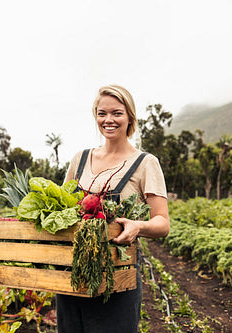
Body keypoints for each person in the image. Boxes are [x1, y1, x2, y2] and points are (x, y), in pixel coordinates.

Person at [56, 84, 170, 333]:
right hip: (73, 273)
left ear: (130, 117)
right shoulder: (80, 159)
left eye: (117, 113)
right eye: (102, 113)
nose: (108, 120)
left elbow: (162, 222)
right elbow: (62, 208)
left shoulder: (145, 163)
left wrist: (138, 226)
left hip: (117, 277)